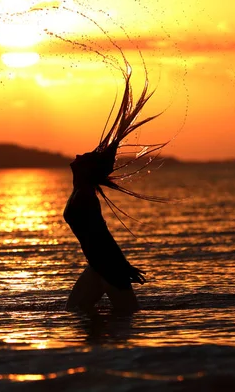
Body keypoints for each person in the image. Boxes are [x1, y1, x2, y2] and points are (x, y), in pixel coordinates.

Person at [63, 64, 167, 314]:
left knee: (126, 320)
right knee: (78, 314)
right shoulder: (81, 192)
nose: (78, 154)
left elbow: (101, 236)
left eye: (84, 156)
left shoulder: (85, 196)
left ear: (87, 169)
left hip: (106, 266)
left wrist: (122, 266)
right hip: (99, 265)